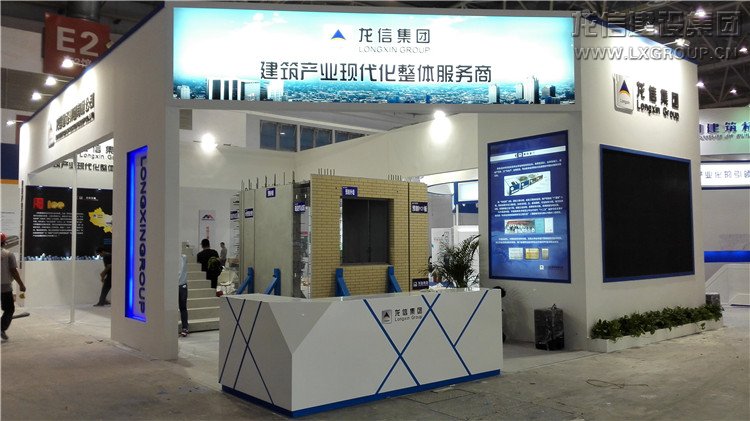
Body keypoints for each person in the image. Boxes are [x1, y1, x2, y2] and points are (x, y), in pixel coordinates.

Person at [1, 233, 26, 341]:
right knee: (9, 309)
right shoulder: (8, 254)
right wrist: (21, 284)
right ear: (4, 242)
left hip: (5, 287)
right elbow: (14, 272)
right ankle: (2, 328)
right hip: (5, 287)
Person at [178, 254, 189, 337]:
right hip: (173, 285)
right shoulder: (169, 258)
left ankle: (185, 327)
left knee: (183, 307)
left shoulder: (184, 257)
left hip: (182, 285)